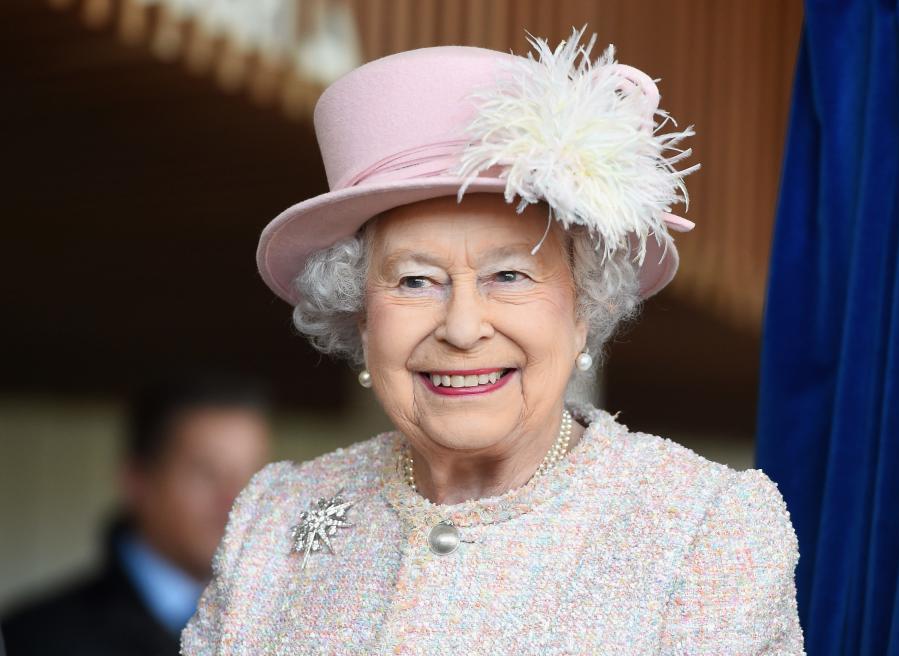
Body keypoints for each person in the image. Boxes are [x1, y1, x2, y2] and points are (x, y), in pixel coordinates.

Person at [181, 27, 805, 654]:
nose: (461, 327)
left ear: (583, 307)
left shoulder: (705, 527)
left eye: (508, 275)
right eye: (416, 280)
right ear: (361, 317)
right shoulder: (274, 516)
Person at [2, 374, 271, 656]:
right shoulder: (33, 640)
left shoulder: (292, 632)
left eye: (253, 475)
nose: (235, 498)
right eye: (205, 473)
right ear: (137, 481)